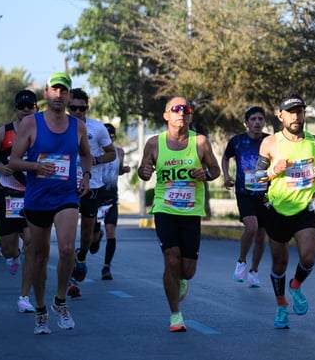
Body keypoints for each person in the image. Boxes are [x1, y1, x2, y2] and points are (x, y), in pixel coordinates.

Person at [8, 72, 93, 335]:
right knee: (38, 256)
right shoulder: (31, 124)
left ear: (69, 96)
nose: (59, 95)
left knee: (67, 248)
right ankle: (41, 309)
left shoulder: (77, 126)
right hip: (37, 197)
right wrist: (36, 166)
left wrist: (87, 177)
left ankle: (61, 301)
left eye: (64, 91)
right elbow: (13, 161)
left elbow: (86, 155)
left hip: (66, 196)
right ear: (46, 94)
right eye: (54, 90)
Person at [137, 96, 222, 332]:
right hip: (165, 208)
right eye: (175, 109)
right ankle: (175, 315)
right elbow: (144, 172)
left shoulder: (201, 142)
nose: (180, 113)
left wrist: (205, 173)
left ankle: (182, 280)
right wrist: (143, 172)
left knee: (187, 270)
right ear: (166, 115)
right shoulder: (154, 143)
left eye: (185, 110)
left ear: (190, 116)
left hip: (191, 211)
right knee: (171, 258)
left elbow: (215, 171)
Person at [255, 95, 315, 329]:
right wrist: (273, 171)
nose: (296, 116)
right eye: (291, 112)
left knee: (308, 256)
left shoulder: (314, 142)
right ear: (280, 116)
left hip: (305, 208)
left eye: (299, 112)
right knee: (279, 264)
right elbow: (254, 179)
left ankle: (295, 286)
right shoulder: (270, 143)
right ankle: (281, 305)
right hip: (276, 210)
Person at [0, 89, 38, 313]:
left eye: (30, 106)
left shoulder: (41, 132)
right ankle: (12, 257)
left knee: (32, 247)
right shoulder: (3, 133)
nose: (25, 110)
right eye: (21, 106)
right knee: (9, 249)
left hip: (34, 196)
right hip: (9, 196)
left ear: (36, 108)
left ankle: (24, 297)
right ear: (15, 109)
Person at [66, 88, 115, 297]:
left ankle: (82, 255)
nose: (77, 112)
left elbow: (111, 153)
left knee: (86, 235)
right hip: (66, 187)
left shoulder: (98, 128)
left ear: (87, 107)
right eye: (73, 108)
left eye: (82, 108)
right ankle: (69, 280)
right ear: (68, 107)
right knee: (66, 238)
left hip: (92, 187)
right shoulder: (59, 127)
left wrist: (96, 160)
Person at [221, 105, 268, 287]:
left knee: (261, 234)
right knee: (252, 227)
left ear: (264, 122)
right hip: (244, 192)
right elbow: (225, 158)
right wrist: (226, 176)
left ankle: (254, 271)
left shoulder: (269, 141)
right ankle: (241, 261)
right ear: (246, 123)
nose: (257, 122)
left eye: (260, 119)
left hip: (266, 193)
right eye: (253, 119)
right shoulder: (237, 141)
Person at [92, 122, 130, 281]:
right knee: (92, 244)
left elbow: (118, 170)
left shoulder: (119, 152)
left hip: (111, 197)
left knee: (111, 232)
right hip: (95, 198)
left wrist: (124, 170)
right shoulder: (94, 153)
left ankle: (106, 266)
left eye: (112, 137)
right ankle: (96, 236)